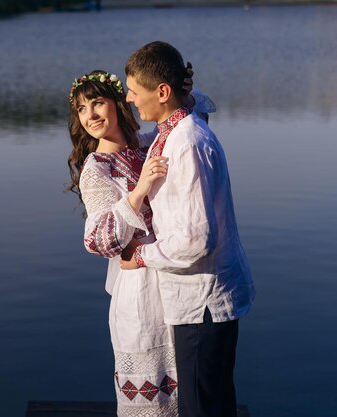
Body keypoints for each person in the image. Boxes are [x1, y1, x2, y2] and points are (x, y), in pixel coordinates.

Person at [67, 70, 215, 417]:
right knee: (152, 396)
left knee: (187, 388)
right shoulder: (96, 168)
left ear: (119, 103)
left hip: (171, 274)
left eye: (97, 103)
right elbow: (99, 239)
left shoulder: (149, 144)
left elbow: (195, 115)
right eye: (81, 109)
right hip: (137, 289)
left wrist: (176, 88)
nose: (90, 115)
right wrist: (139, 190)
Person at [121, 41, 255, 417]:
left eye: (134, 89)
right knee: (211, 402)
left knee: (202, 408)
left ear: (162, 92)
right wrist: (182, 86)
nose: (129, 98)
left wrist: (142, 255)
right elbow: (200, 102)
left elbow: (198, 238)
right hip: (199, 300)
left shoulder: (188, 144)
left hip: (203, 302)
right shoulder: (173, 127)